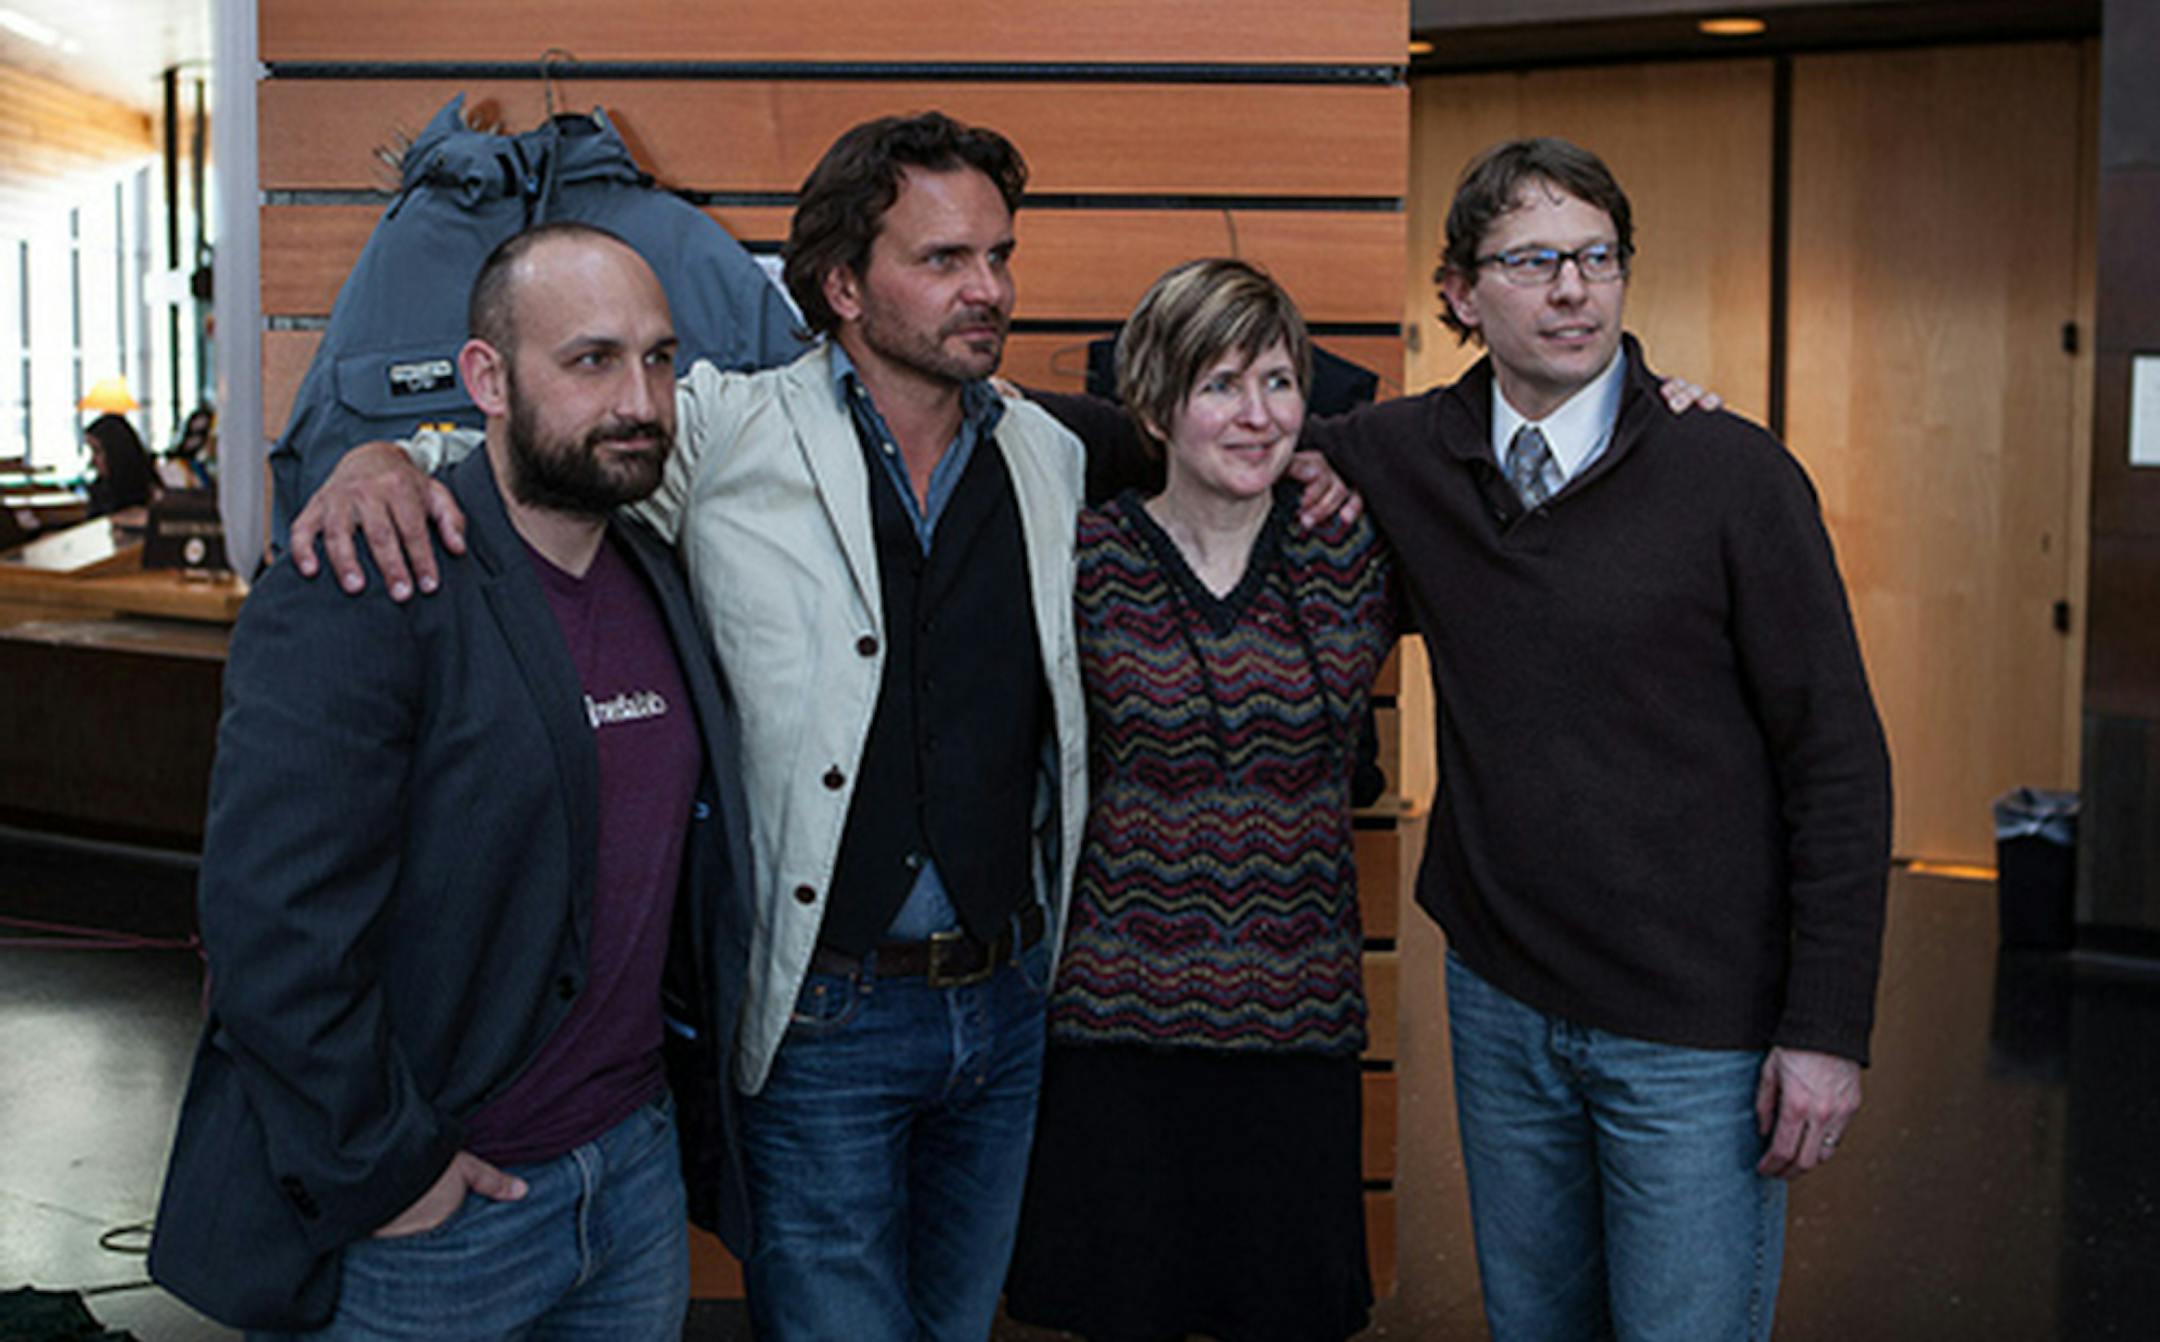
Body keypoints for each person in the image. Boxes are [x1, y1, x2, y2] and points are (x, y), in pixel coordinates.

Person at [290, 112, 1100, 1342]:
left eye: (998, 255)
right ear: (840, 284)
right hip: (824, 1015)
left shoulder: (1047, 451)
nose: (985, 289)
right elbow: (540, 460)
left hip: (1005, 1004)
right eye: (943, 260)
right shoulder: (723, 429)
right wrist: (384, 464)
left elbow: (1219, 450)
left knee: (957, 1323)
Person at [1303, 137, 1893, 1341]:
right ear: (1461, 294)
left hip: (1696, 1028)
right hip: (1503, 999)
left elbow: (1837, 762)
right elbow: (1199, 423)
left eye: (1596, 256)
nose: (1573, 288)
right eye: (1531, 261)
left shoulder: (1731, 474)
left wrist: (1826, 1029)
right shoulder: (1409, 456)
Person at [147, 223, 756, 1340]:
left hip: (628, 1183)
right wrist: (391, 1168)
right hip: (440, 1218)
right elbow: (270, 924)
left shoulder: (656, 570)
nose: (640, 398)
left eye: (659, 359)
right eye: (592, 360)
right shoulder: (367, 575)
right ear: (485, 378)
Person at [1002, 258, 1392, 1342]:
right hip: (1119, 1025)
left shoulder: (1355, 548)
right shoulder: (1082, 557)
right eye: (1220, 384)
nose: (1256, 415)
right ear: (1158, 403)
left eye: (1277, 381)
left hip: (1299, 1026)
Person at [82, 412, 155, 516]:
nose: (92, 461)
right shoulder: (100, 490)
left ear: (115, 452)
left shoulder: (149, 496)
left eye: (97, 451)